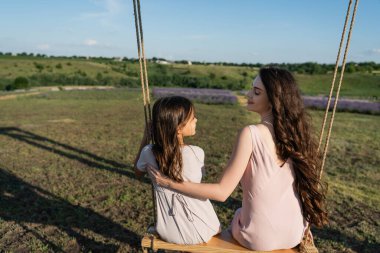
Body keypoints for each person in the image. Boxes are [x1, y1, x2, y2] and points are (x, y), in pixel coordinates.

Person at [147, 67, 328, 251]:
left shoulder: (251, 133)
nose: (248, 94)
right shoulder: (297, 136)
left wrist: (169, 183)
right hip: (294, 232)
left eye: (256, 92)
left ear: (273, 101)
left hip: (260, 239)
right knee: (243, 213)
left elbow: (222, 192)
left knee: (239, 216)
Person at [134, 96, 221, 245]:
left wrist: (145, 139)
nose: (196, 120)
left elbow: (138, 172)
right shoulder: (196, 152)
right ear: (178, 127)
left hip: (169, 231)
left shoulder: (148, 152)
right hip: (203, 228)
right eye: (192, 118)